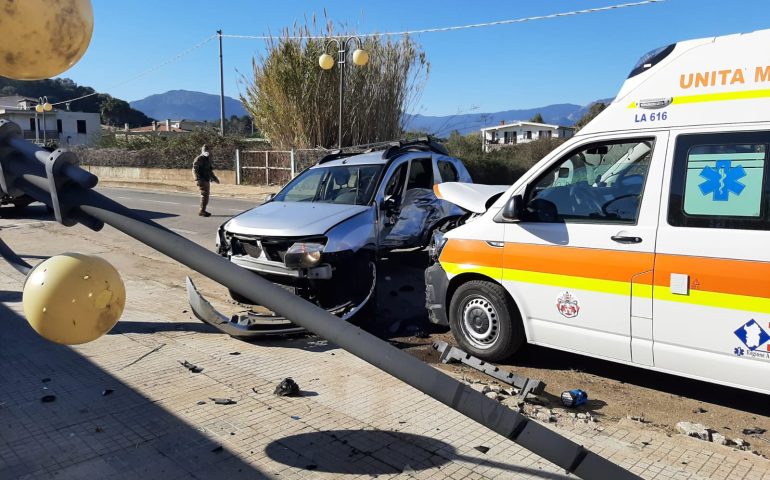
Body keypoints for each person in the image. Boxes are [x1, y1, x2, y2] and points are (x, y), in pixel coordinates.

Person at [192, 144, 219, 216]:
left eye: (208, 150)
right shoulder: (199, 159)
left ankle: (203, 210)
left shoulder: (207, 159)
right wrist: (197, 179)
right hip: (202, 180)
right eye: (206, 150)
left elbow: (209, 171)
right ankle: (202, 211)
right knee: (205, 195)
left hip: (206, 179)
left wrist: (214, 178)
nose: (208, 151)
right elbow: (194, 170)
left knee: (206, 195)